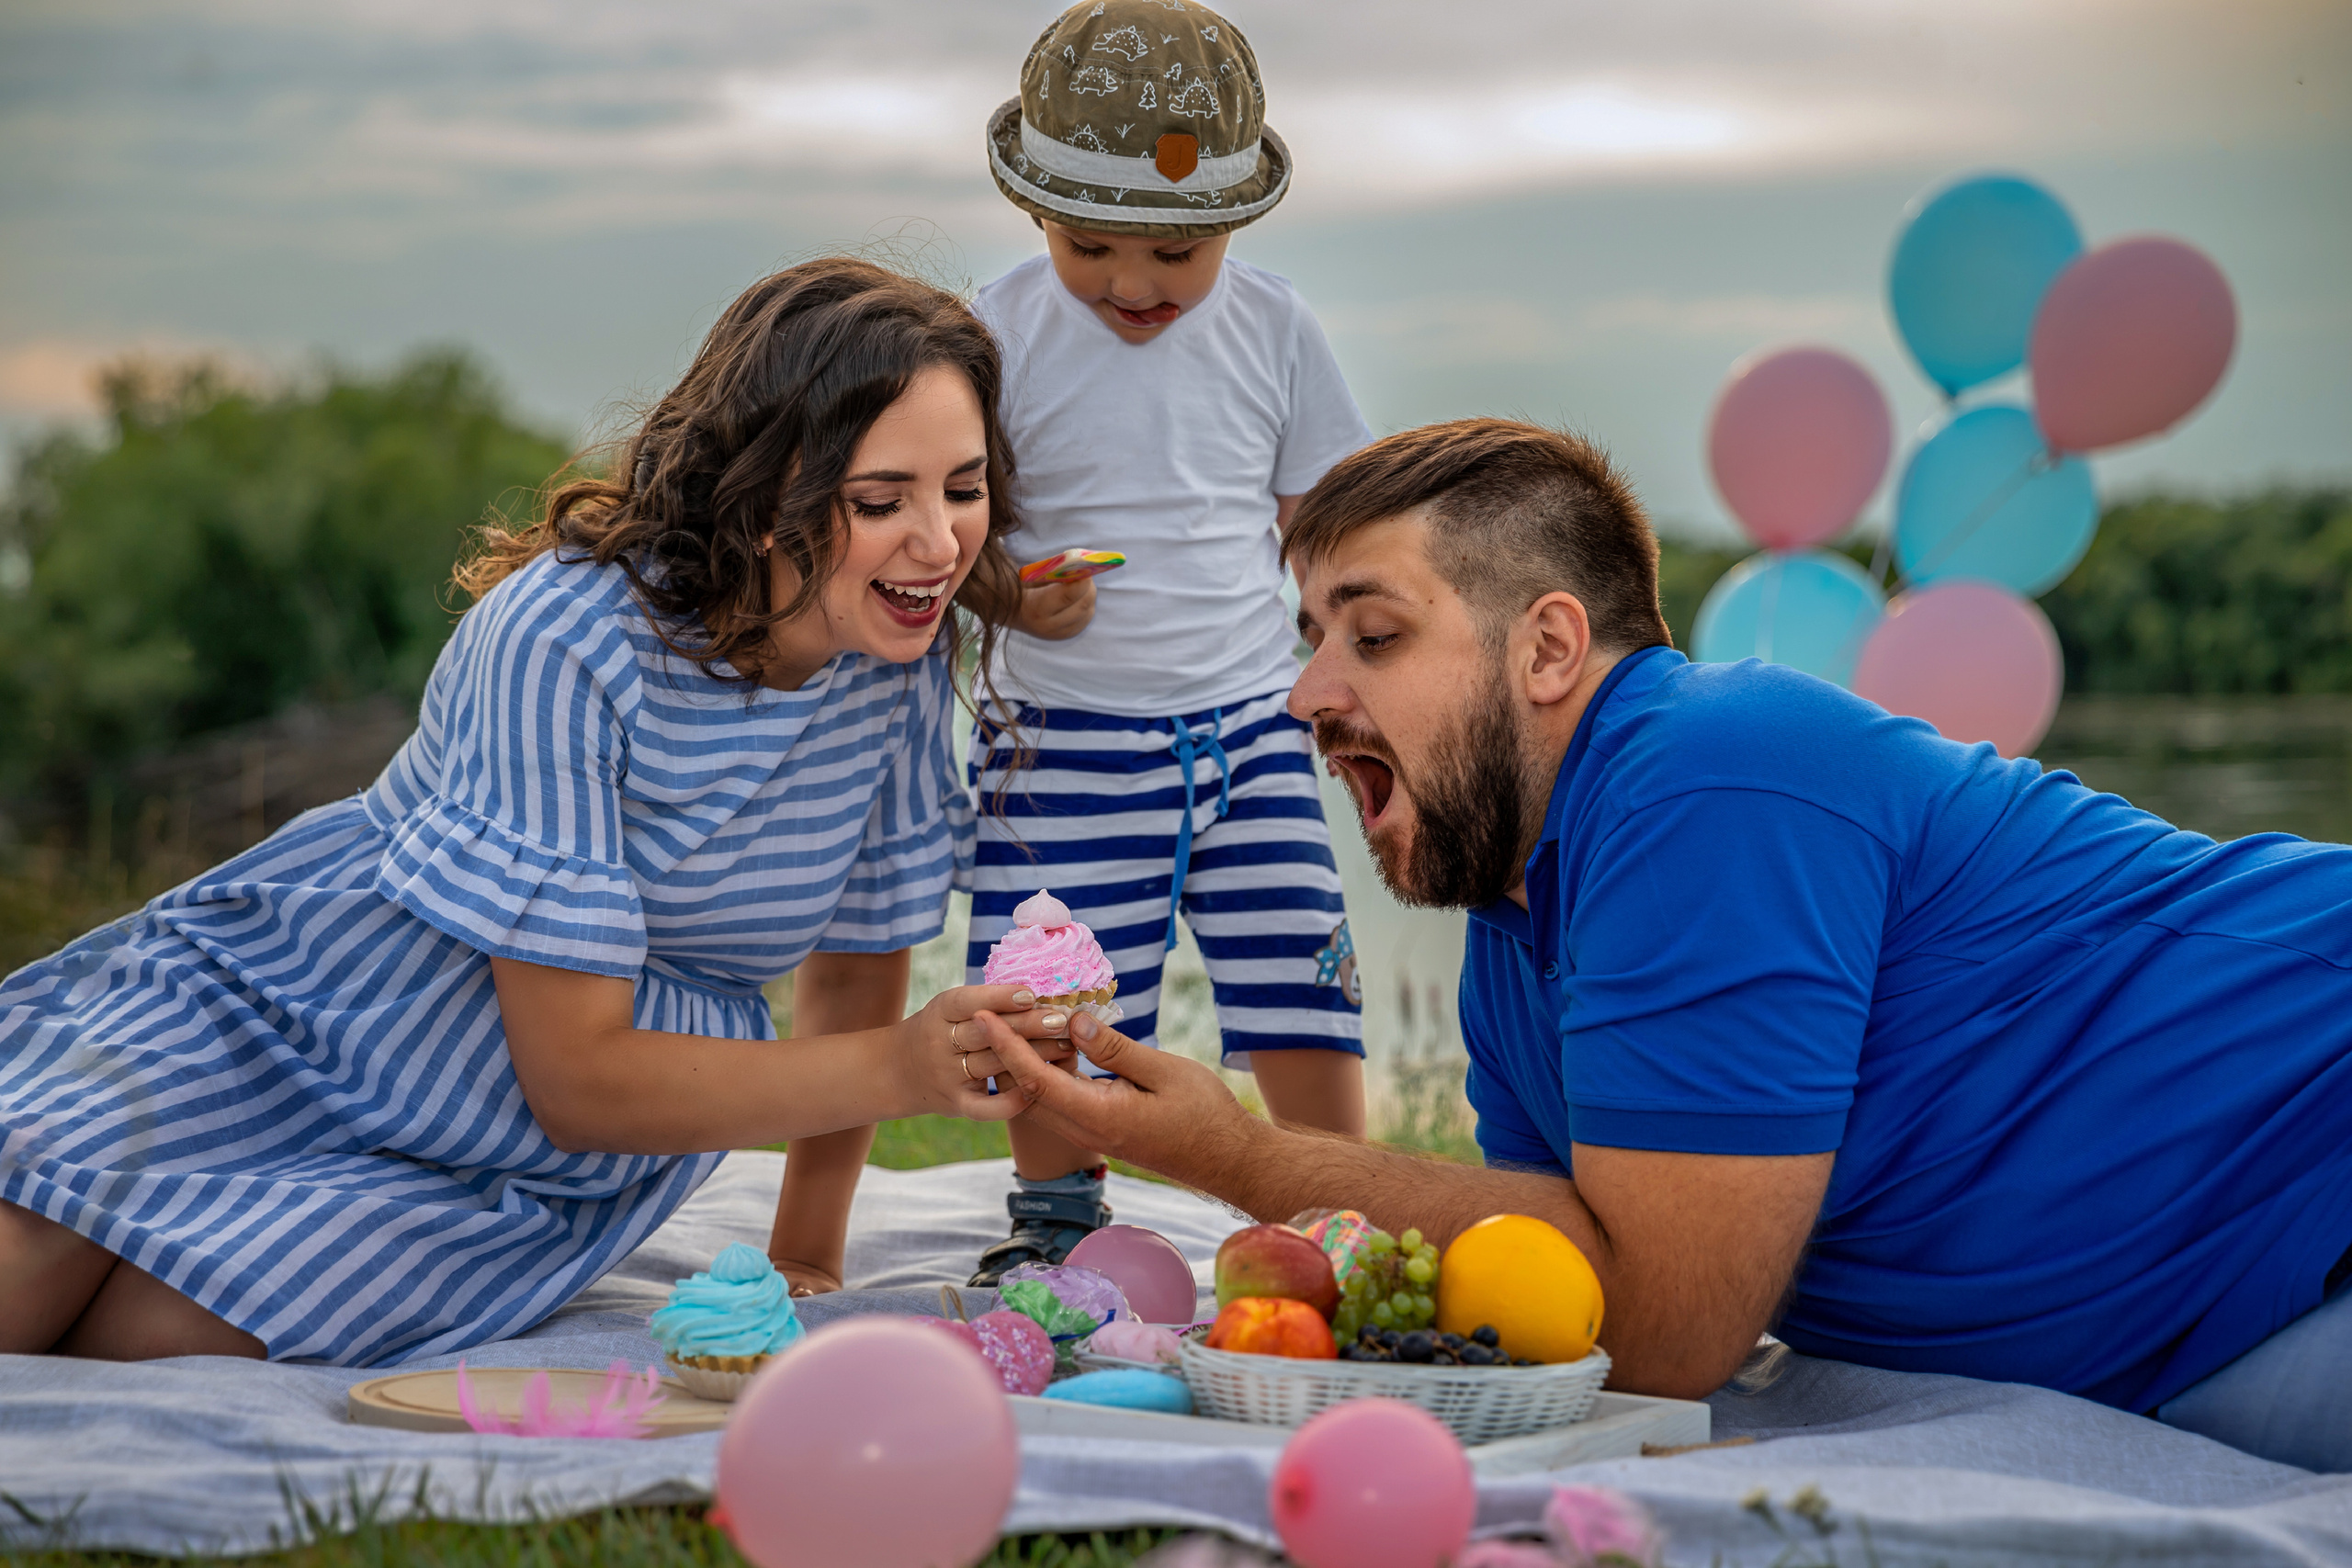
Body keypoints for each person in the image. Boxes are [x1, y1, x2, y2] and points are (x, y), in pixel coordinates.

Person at [975, 417, 2352, 1473]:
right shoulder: (1514, 933)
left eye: (1373, 633)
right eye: (1310, 637)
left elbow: (1673, 1326)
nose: (1305, 695)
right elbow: (1580, 1295)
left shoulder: (1705, 771)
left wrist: (1237, 1152)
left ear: (1551, 646)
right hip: (2215, 1336)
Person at [0, 257, 1077, 1366]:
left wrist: (806, 1253)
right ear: (763, 500)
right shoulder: (562, 641)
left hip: (521, 1170)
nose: (941, 544)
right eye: (879, 501)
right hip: (290, 1033)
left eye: (962, 487)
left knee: (157, 1338)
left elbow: (855, 961)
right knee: (30, 1265)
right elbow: (578, 1076)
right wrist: (903, 1068)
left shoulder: (888, 655)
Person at [957, 0, 1373, 1285]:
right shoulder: (996, 328)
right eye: (1092, 246)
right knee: (1052, 995)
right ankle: (1056, 1215)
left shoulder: (1275, 326)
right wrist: (1010, 594)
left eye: (1173, 257)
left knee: (1303, 975)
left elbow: (1325, 516)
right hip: (1061, 730)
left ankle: (1328, 1204)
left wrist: (1348, 650)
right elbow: (947, 516)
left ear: (1235, 225)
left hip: (1251, 719)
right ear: (1036, 216)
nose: (1132, 285)